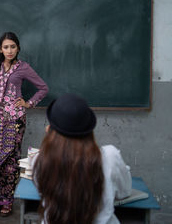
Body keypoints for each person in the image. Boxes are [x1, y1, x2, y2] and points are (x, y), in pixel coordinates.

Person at [0, 31, 49, 216]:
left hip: (15, 120)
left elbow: (43, 88)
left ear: (18, 48)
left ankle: (7, 201)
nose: (10, 50)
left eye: (13, 47)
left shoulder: (23, 67)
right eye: (6, 47)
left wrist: (28, 103)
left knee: (10, 161)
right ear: (0, 49)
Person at [32, 93, 132, 224]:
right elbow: (124, 192)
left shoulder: (40, 160)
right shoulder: (110, 157)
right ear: (89, 128)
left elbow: (43, 191)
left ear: (50, 130)